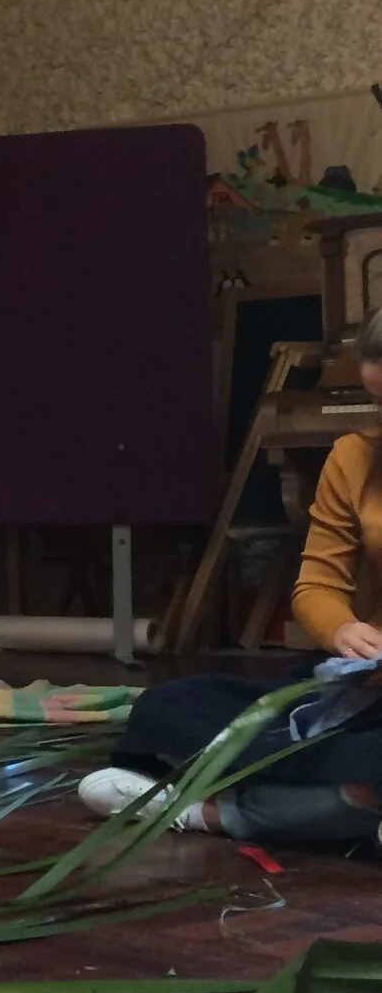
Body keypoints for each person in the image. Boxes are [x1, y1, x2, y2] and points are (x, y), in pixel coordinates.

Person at [90, 310, 382, 846]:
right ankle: (340, 804)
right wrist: (343, 632)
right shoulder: (354, 458)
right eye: (379, 400)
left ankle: (207, 813)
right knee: (168, 707)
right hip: (364, 690)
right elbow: (317, 584)